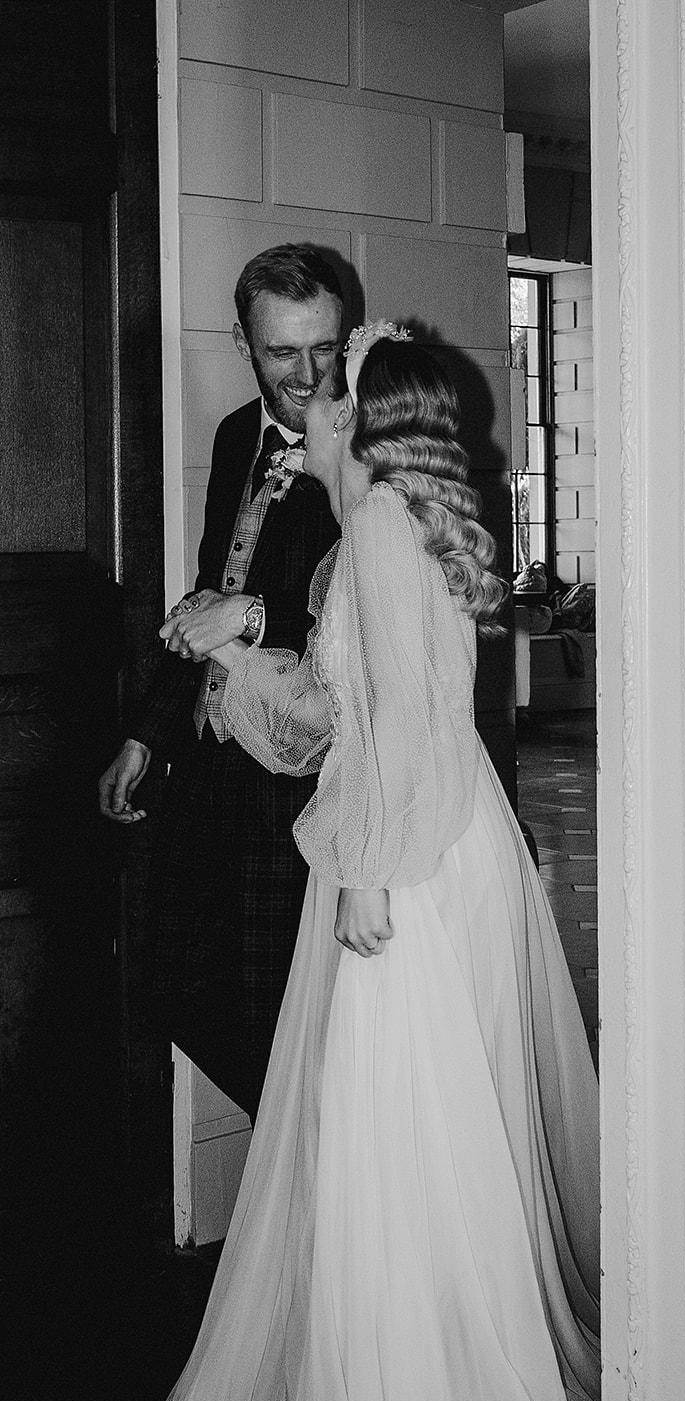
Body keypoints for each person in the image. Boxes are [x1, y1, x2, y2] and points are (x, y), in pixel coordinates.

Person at [152, 324, 601, 1401]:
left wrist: (367, 872)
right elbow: (344, 709)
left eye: (338, 391)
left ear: (372, 418)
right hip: (424, 841)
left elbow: (399, 727)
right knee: (403, 1140)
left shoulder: (389, 537)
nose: (319, 407)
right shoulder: (394, 529)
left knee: (384, 1145)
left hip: (404, 857)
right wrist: (240, 654)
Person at [97, 244, 345, 1117]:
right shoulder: (237, 432)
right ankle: (302, 1168)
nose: (311, 374)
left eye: (326, 347)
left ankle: (321, 1201)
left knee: (285, 1019)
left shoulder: (372, 447)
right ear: (244, 344)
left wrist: (251, 619)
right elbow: (214, 592)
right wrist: (146, 733)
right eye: (285, 352)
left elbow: (378, 620)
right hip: (210, 767)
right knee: (170, 982)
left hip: (302, 779)